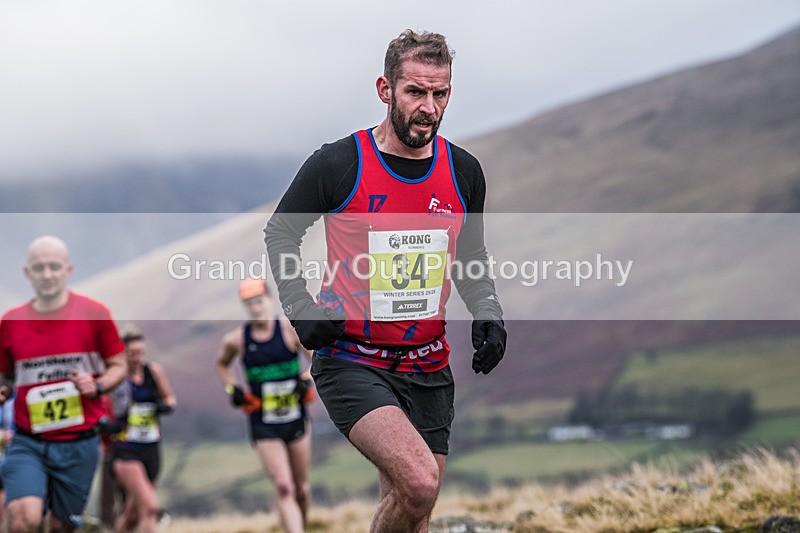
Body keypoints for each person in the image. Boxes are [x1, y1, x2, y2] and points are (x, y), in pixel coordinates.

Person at [264, 30, 507, 532]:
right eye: (415, 92)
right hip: (352, 358)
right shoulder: (339, 163)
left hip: (429, 362)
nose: (428, 108)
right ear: (385, 89)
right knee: (419, 483)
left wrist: (488, 311)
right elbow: (281, 233)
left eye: (440, 93)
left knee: (414, 513)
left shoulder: (464, 171)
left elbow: (471, 255)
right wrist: (300, 308)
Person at [0, 235, 128, 533]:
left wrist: (97, 386)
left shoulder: (94, 314)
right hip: (29, 441)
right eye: (39, 267)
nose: (47, 275)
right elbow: (6, 375)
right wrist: (4, 389)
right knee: (23, 517)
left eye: (54, 267)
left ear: (68, 270)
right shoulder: (10, 322)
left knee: (61, 527)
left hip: (79, 444)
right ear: (27, 272)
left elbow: (119, 365)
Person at [215, 278, 313, 533]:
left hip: (296, 417)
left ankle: (300, 526)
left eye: (259, 301)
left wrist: (306, 379)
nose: (255, 308)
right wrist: (233, 388)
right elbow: (222, 364)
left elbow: (317, 358)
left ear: (270, 299)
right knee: (284, 487)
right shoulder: (236, 340)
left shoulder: (290, 330)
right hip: (263, 422)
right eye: (249, 304)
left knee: (301, 489)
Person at [107, 323, 176, 533]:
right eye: (133, 353)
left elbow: (170, 397)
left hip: (151, 447)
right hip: (126, 450)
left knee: (132, 514)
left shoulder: (153, 372)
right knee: (150, 507)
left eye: (141, 352)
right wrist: (108, 424)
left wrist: (164, 407)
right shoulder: (114, 378)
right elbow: (101, 406)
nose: (138, 358)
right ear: (122, 354)